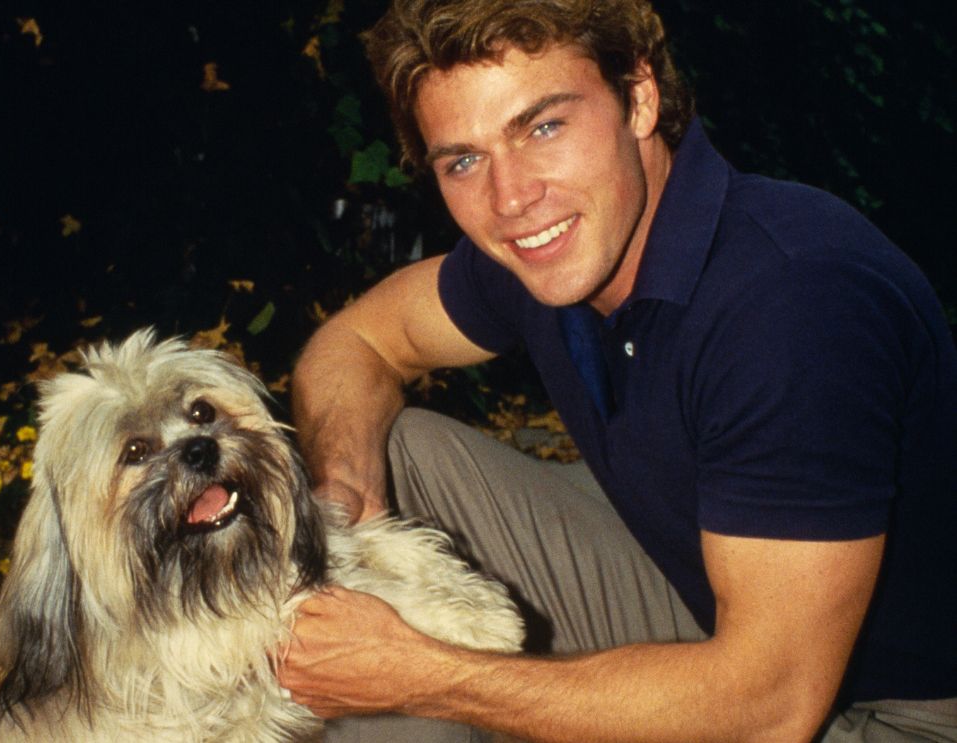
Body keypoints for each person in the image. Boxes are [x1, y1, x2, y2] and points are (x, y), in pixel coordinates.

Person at [275, 0, 957, 741]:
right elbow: (361, 341)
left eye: (542, 127)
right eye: (464, 160)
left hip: (905, 711)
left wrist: (427, 673)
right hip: (718, 612)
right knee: (395, 464)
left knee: (413, 672)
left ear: (639, 97)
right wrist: (345, 488)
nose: (509, 199)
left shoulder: (791, 303)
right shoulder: (546, 246)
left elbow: (770, 709)